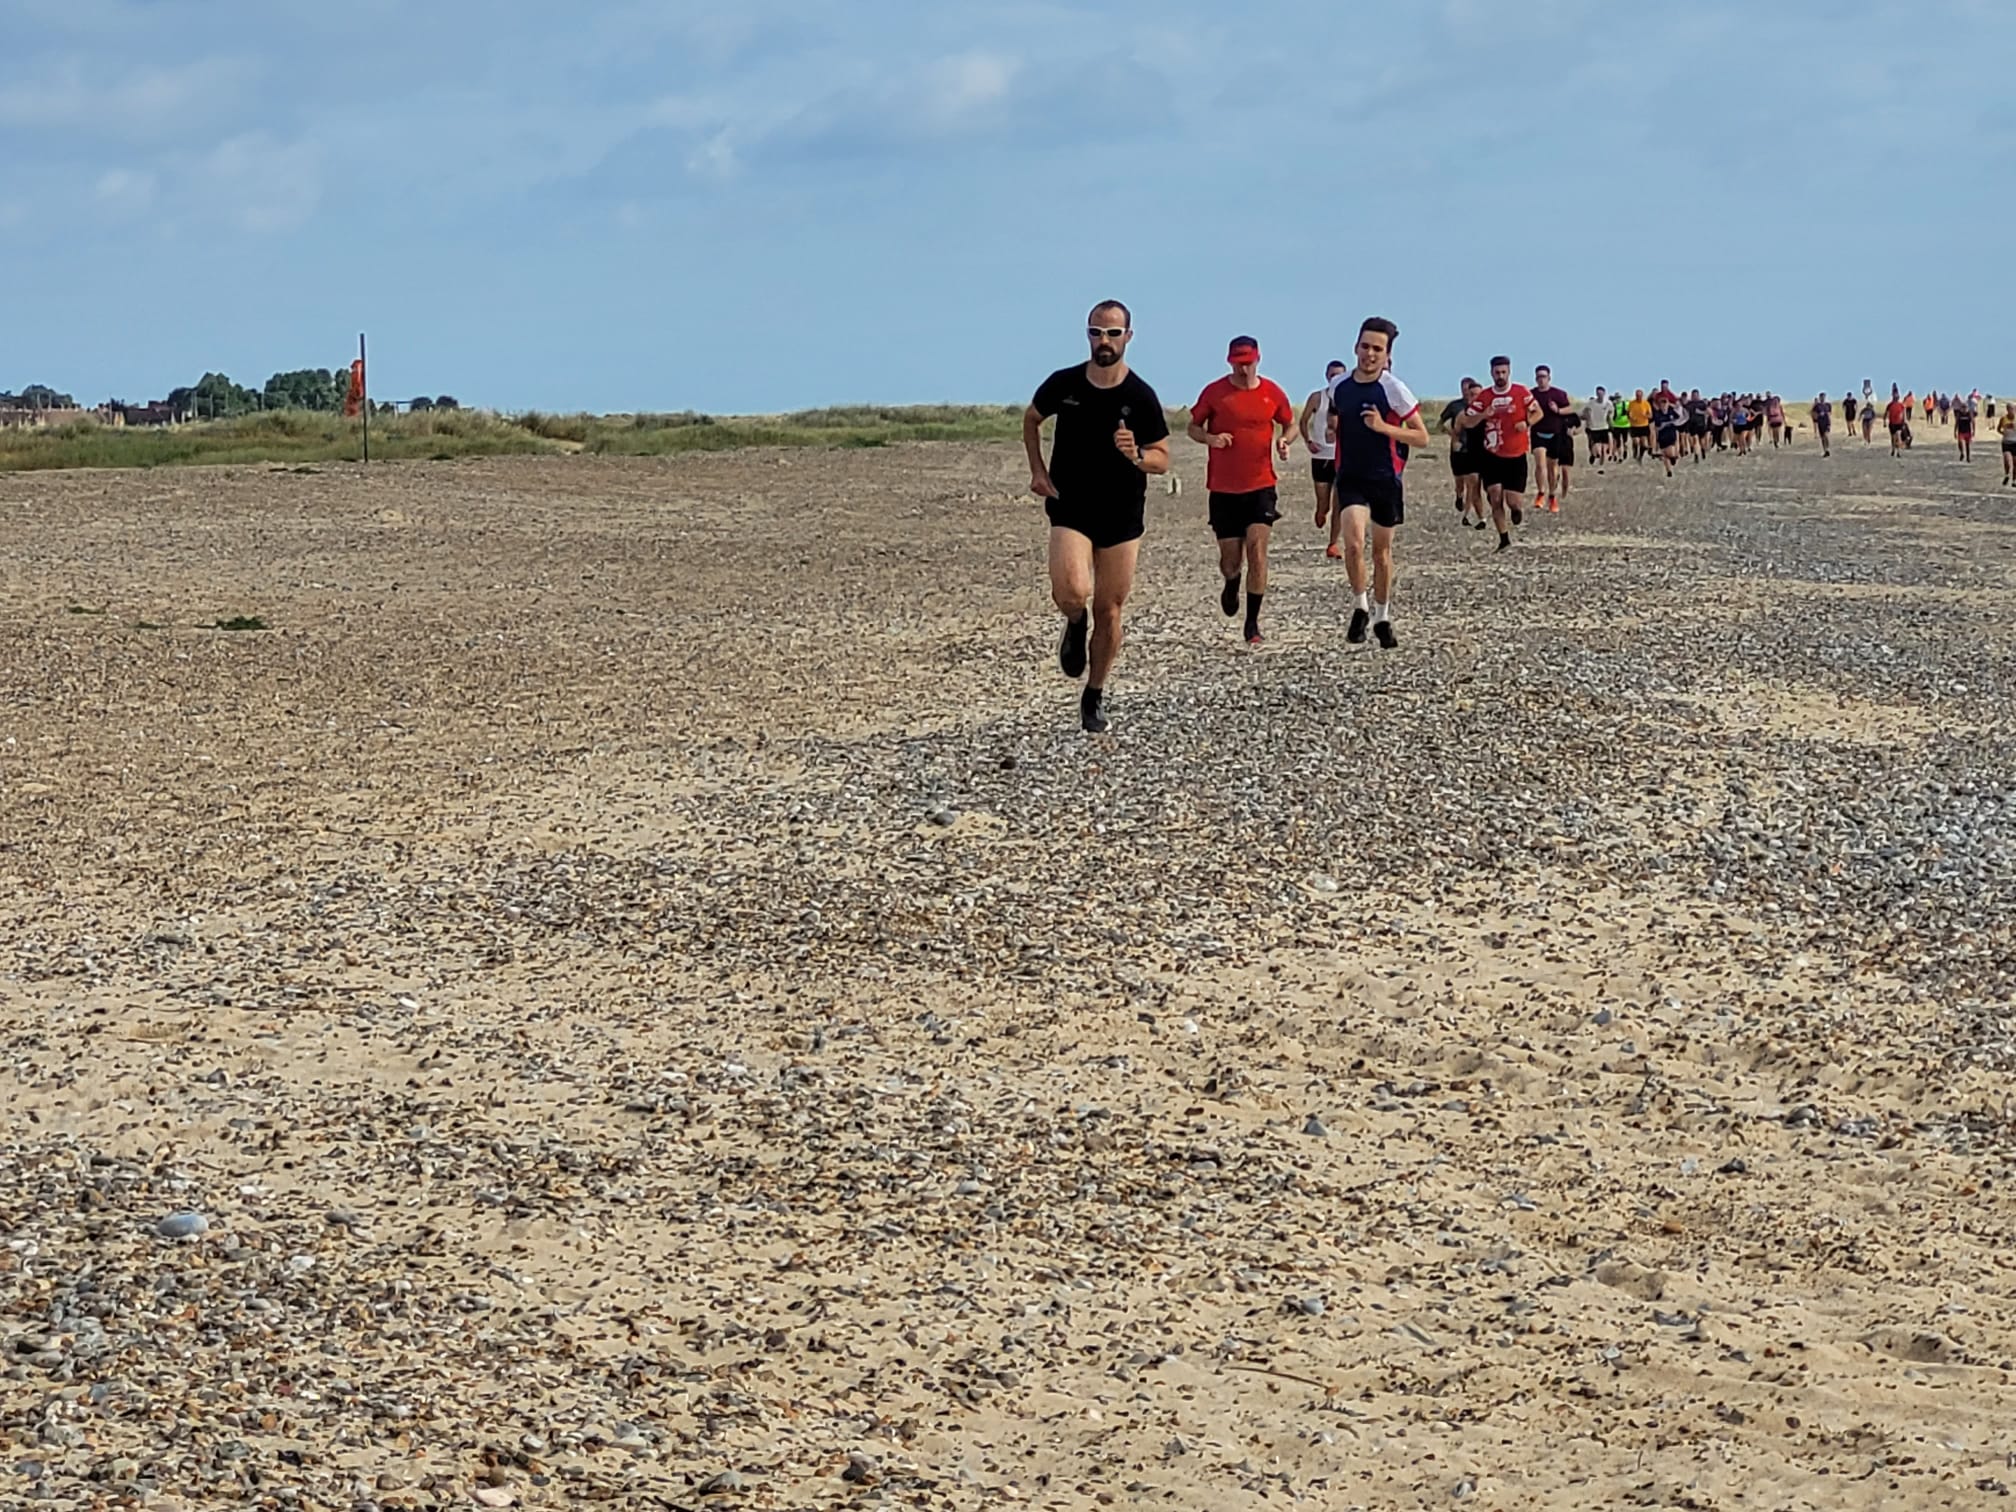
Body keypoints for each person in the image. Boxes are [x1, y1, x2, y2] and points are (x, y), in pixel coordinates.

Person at [1025, 300, 1172, 733]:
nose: (1103, 341)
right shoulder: (1064, 384)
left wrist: (1138, 455)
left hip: (1122, 512)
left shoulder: (1140, 396)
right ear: (1087, 335)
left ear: (1128, 336)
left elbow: (1164, 458)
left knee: (1110, 609)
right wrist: (1037, 470)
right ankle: (1074, 621)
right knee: (1072, 590)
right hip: (1071, 503)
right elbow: (1031, 419)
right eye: (1096, 332)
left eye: (1112, 333)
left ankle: (1094, 693)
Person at [1322, 317, 1428, 647]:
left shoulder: (1394, 389)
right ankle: (1360, 607)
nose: (1370, 354)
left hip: (1385, 478)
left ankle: (1383, 616)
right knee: (1353, 543)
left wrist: (1385, 428)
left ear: (1387, 356)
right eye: (1365, 347)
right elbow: (1335, 413)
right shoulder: (1339, 386)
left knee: (1381, 553)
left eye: (1377, 349)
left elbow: (1422, 437)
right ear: (1356, 347)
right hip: (1351, 475)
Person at [1190, 337, 1295, 647]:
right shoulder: (1215, 392)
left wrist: (1284, 441)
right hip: (1223, 488)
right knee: (1231, 559)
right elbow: (1193, 427)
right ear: (1230, 361)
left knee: (1257, 550)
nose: (1243, 367)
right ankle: (1231, 581)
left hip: (1261, 484)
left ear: (1258, 359)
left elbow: (1290, 424)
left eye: (1248, 361)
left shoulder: (1271, 392)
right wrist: (1210, 439)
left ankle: (1252, 623)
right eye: (1238, 362)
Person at [1458, 356, 1540, 554]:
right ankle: (1504, 539)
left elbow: (1538, 413)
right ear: (1491, 373)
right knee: (1495, 497)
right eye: (1497, 373)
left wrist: (1527, 423)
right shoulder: (1485, 397)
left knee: (1513, 500)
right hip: (1492, 455)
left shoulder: (1521, 392)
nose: (1500, 376)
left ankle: (1516, 510)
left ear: (1509, 371)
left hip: (1516, 455)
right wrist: (1484, 415)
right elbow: (1467, 421)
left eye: (1503, 372)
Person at [1299, 359, 1349, 561]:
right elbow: (1303, 421)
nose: (1335, 378)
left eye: (1340, 375)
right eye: (1332, 375)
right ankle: (1321, 512)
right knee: (1324, 503)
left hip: (1342, 457)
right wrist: (1308, 441)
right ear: (1327, 376)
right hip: (1320, 457)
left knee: (1340, 503)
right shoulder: (1317, 397)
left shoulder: (1349, 398)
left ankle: (1333, 543)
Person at [1443, 378, 1487, 529]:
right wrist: (1455, 441)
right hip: (1466, 452)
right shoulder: (1460, 411)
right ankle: (1475, 516)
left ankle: (1478, 516)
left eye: (1478, 395)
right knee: (1470, 484)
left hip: (1486, 453)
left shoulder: (1489, 411)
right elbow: (1453, 429)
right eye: (1472, 394)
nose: (1474, 397)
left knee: (1483, 488)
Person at [1530, 365, 1574, 512]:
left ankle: (1552, 495)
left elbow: (1570, 409)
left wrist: (1558, 410)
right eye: (1538, 377)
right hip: (1537, 433)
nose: (1541, 379)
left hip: (1555, 434)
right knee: (1540, 464)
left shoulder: (1559, 394)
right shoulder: (1531, 394)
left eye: (1543, 376)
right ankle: (1541, 492)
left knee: (1552, 468)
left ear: (1549, 378)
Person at [1653, 391, 1683, 476]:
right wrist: (1665, 424)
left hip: (1671, 435)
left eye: (1665, 403)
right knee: (1664, 454)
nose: (1664, 405)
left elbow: (1679, 418)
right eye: (1662, 403)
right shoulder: (1658, 414)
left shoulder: (1671, 411)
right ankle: (1669, 471)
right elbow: (1658, 426)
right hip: (1662, 436)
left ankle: (1673, 458)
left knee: (1670, 453)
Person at [1582, 386, 1611, 469]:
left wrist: (1611, 425)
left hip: (1604, 427)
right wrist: (1586, 416)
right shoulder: (1591, 403)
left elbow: (1610, 415)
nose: (1600, 395)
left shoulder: (1608, 404)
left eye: (1601, 393)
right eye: (1598, 393)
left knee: (1604, 450)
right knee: (1598, 449)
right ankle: (1594, 454)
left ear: (1604, 393)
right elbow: (1583, 413)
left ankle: (1601, 467)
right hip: (1594, 428)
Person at [1609, 389, 1631, 462]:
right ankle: (1620, 456)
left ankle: (1625, 450)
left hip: (1626, 425)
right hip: (1616, 425)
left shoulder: (1626, 404)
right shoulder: (1612, 406)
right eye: (1617, 398)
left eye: (1619, 397)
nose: (1618, 399)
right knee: (1617, 441)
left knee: (1625, 441)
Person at [1885, 390, 1909, 456]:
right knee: (1893, 438)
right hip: (1892, 423)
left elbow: (1904, 414)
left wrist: (1904, 422)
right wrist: (1884, 421)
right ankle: (1893, 449)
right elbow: (1886, 413)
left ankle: (1898, 451)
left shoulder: (1901, 405)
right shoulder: (1890, 405)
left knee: (1898, 437)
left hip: (1899, 423)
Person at [1953, 392, 1975, 462]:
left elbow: (1973, 422)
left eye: (1965, 407)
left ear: (1967, 408)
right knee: (1959, 443)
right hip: (1960, 431)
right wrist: (1954, 432)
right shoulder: (1959, 414)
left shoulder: (1969, 414)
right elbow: (1956, 423)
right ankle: (1962, 453)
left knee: (1967, 445)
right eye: (1963, 407)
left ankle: (1968, 457)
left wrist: (1974, 431)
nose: (1964, 409)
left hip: (1968, 431)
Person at [1999, 403, 2015, 486]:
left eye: (2013, 409)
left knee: (2015, 462)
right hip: (2006, 443)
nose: (2011, 411)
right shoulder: (2003, 418)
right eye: (2010, 409)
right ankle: (2007, 474)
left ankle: (2014, 480)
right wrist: (2003, 433)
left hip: (2015, 443)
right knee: (2008, 461)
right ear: (2007, 409)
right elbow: (1998, 429)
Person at [1812, 391, 1833, 457]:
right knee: (1822, 437)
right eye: (1821, 397)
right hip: (1820, 423)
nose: (1822, 398)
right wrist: (1818, 415)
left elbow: (1830, 413)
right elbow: (1813, 413)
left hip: (1827, 422)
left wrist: (1827, 415)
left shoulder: (1828, 405)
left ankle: (1828, 449)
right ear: (1820, 397)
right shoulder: (1817, 406)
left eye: (1824, 397)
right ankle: (1825, 450)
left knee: (1826, 435)